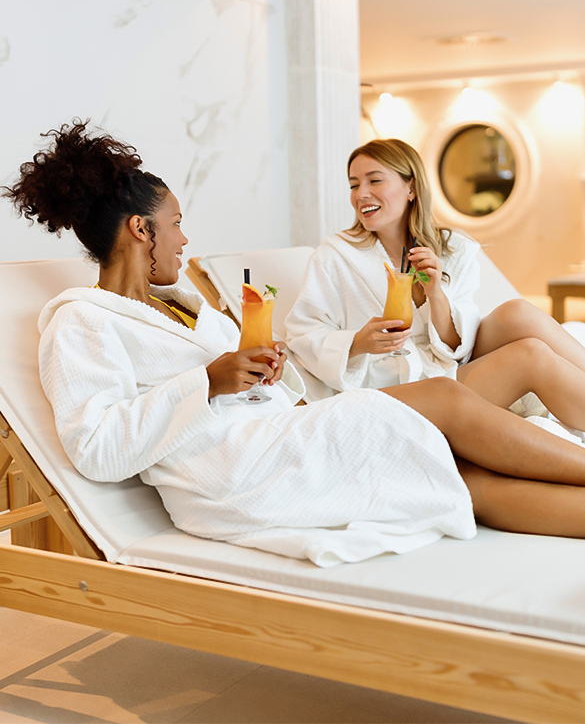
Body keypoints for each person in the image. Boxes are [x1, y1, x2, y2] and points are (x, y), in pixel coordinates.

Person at [6, 121, 585, 570]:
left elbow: (255, 384)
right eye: (176, 223)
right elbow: (96, 447)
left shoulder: (182, 304)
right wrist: (209, 380)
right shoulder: (82, 321)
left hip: (279, 437)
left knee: (464, 477)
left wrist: (268, 371)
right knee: (446, 401)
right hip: (237, 472)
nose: (185, 238)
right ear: (140, 229)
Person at [285, 138, 585, 417]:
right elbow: (302, 334)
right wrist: (356, 343)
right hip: (404, 384)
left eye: (374, 180)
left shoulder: (454, 248)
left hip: (452, 363)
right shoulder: (334, 256)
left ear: (411, 188)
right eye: (354, 184)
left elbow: (458, 346)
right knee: (530, 354)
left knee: (517, 312)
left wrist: (435, 293)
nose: (361, 193)